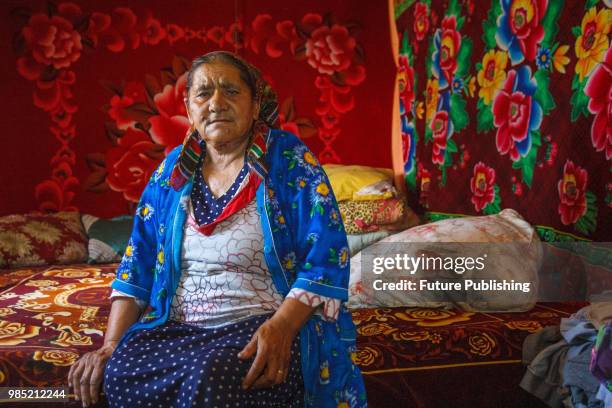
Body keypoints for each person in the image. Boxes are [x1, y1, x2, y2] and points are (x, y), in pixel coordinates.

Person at [67, 51, 367, 407]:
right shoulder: (171, 174)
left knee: (210, 378)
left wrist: (282, 327)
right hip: (178, 327)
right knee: (119, 372)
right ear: (190, 109)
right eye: (203, 93)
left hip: (259, 323)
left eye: (231, 91)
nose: (216, 103)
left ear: (255, 105)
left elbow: (326, 255)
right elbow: (138, 264)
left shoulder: (288, 161)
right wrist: (110, 346)